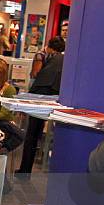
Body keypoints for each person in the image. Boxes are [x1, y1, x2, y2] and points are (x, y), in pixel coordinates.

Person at [17, 36, 66, 174]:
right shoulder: (65, 60)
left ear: (49, 46)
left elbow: (36, 73)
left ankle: (25, 169)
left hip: (39, 94)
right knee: (48, 133)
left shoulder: (42, 55)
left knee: (32, 133)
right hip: (56, 95)